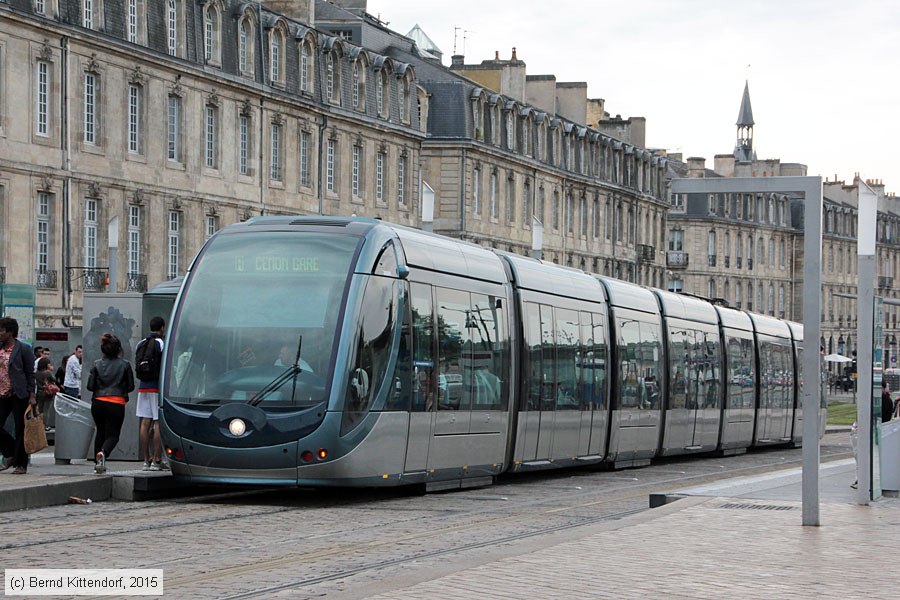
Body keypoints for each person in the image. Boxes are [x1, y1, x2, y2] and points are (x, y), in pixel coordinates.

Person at [86, 334, 134, 474]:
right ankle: (104, 453)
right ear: (119, 349)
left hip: (98, 402)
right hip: (116, 402)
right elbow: (131, 386)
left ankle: (97, 464)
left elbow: (90, 386)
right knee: (113, 435)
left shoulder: (96, 364)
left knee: (100, 431)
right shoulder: (125, 365)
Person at [0, 317, 37, 475]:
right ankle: (10, 453)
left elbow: (30, 373)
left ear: (10, 332)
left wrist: (32, 394)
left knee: (21, 428)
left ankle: (21, 464)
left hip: (19, 393)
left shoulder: (22, 349)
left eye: (1, 330)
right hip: (2, 393)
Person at [135, 317, 166, 471]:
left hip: (143, 387)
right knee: (158, 422)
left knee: (144, 422)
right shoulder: (161, 343)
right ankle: (157, 460)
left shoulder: (141, 343)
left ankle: (146, 460)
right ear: (162, 327)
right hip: (156, 387)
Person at [34, 357, 58, 431]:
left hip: (39, 392)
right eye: (49, 364)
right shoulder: (48, 373)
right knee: (46, 410)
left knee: (40, 410)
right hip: (48, 393)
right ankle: (45, 426)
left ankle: (39, 425)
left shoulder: (37, 373)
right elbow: (54, 379)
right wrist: (51, 370)